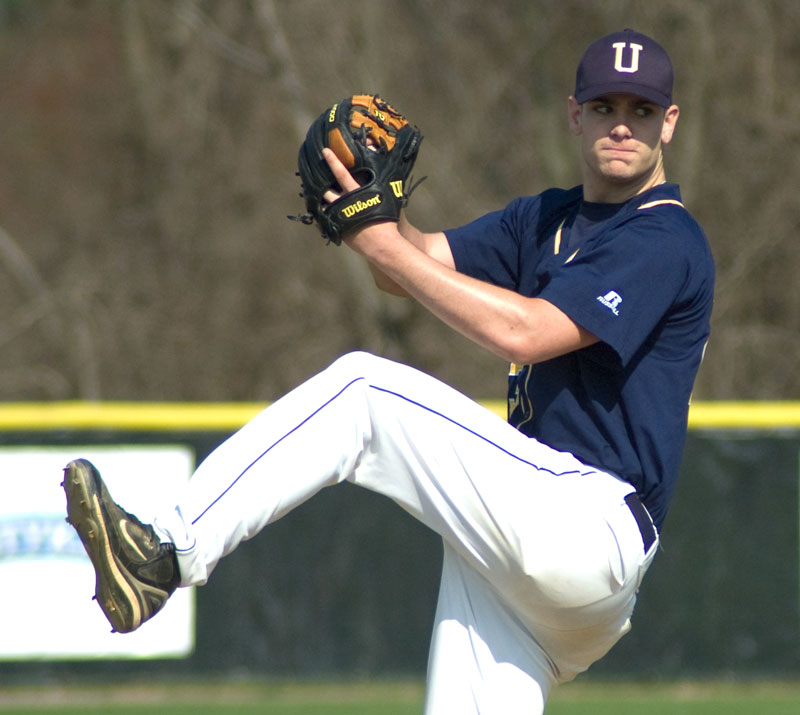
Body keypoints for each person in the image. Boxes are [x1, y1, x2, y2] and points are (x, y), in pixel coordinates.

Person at [63, 29, 714, 714]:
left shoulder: (664, 238)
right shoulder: (545, 218)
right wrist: (370, 210)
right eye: (605, 106)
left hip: (589, 523)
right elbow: (409, 267)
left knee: (364, 393)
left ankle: (165, 550)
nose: (622, 124)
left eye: (641, 110)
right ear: (574, 113)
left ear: (668, 123)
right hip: (530, 563)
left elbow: (523, 331)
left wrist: (381, 243)